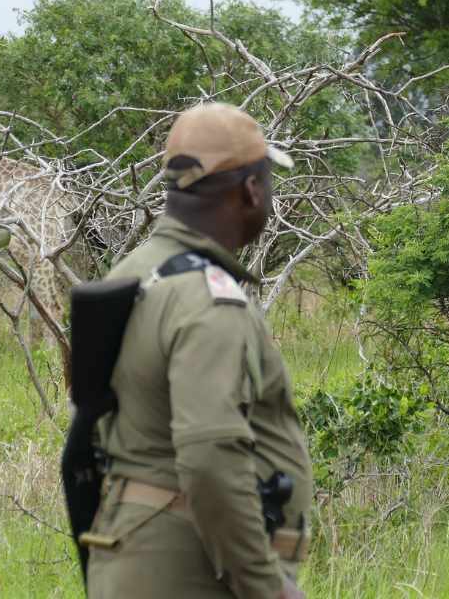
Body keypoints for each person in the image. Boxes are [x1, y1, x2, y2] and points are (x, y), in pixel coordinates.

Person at [83, 103, 312, 599]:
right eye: (267, 180)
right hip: (189, 569)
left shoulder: (133, 271)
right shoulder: (208, 298)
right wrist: (266, 585)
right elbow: (209, 455)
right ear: (251, 190)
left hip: (128, 552)